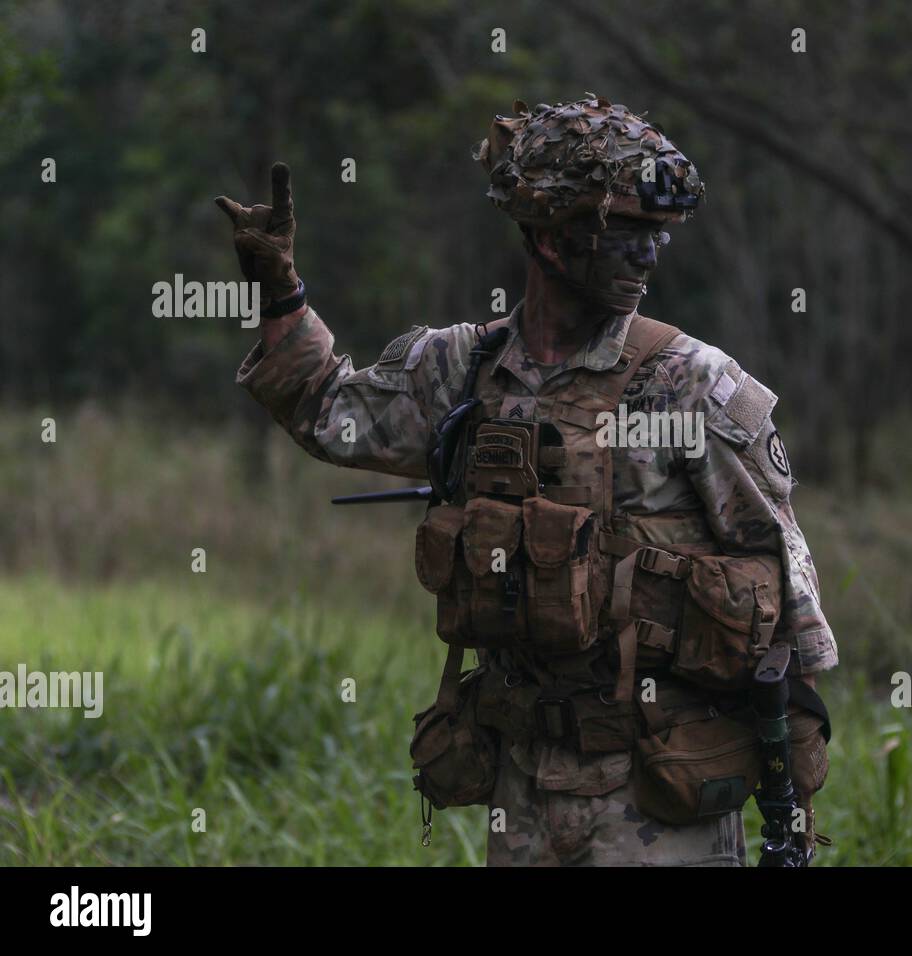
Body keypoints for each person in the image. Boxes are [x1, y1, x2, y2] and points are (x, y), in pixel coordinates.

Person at [216, 96, 836, 866]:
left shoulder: (689, 385)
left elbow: (790, 603)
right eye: (624, 233)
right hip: (523, 788)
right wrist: (280, 293)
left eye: (658, 237)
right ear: (546, 234)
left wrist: (794, 814)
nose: (647, 258)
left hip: (662, 794)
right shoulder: (464, 370)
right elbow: (325, 413)